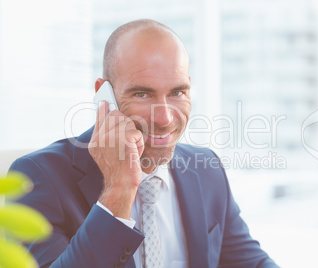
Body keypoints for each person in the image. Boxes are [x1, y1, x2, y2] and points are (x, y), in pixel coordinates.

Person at [9, 19, 279, 268]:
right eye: (142, 93)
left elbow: (251, 262)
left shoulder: (207, 169)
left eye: (177, 92)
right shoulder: (37, 176)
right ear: (104, 95)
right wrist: (118, 188)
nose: (164, 118)